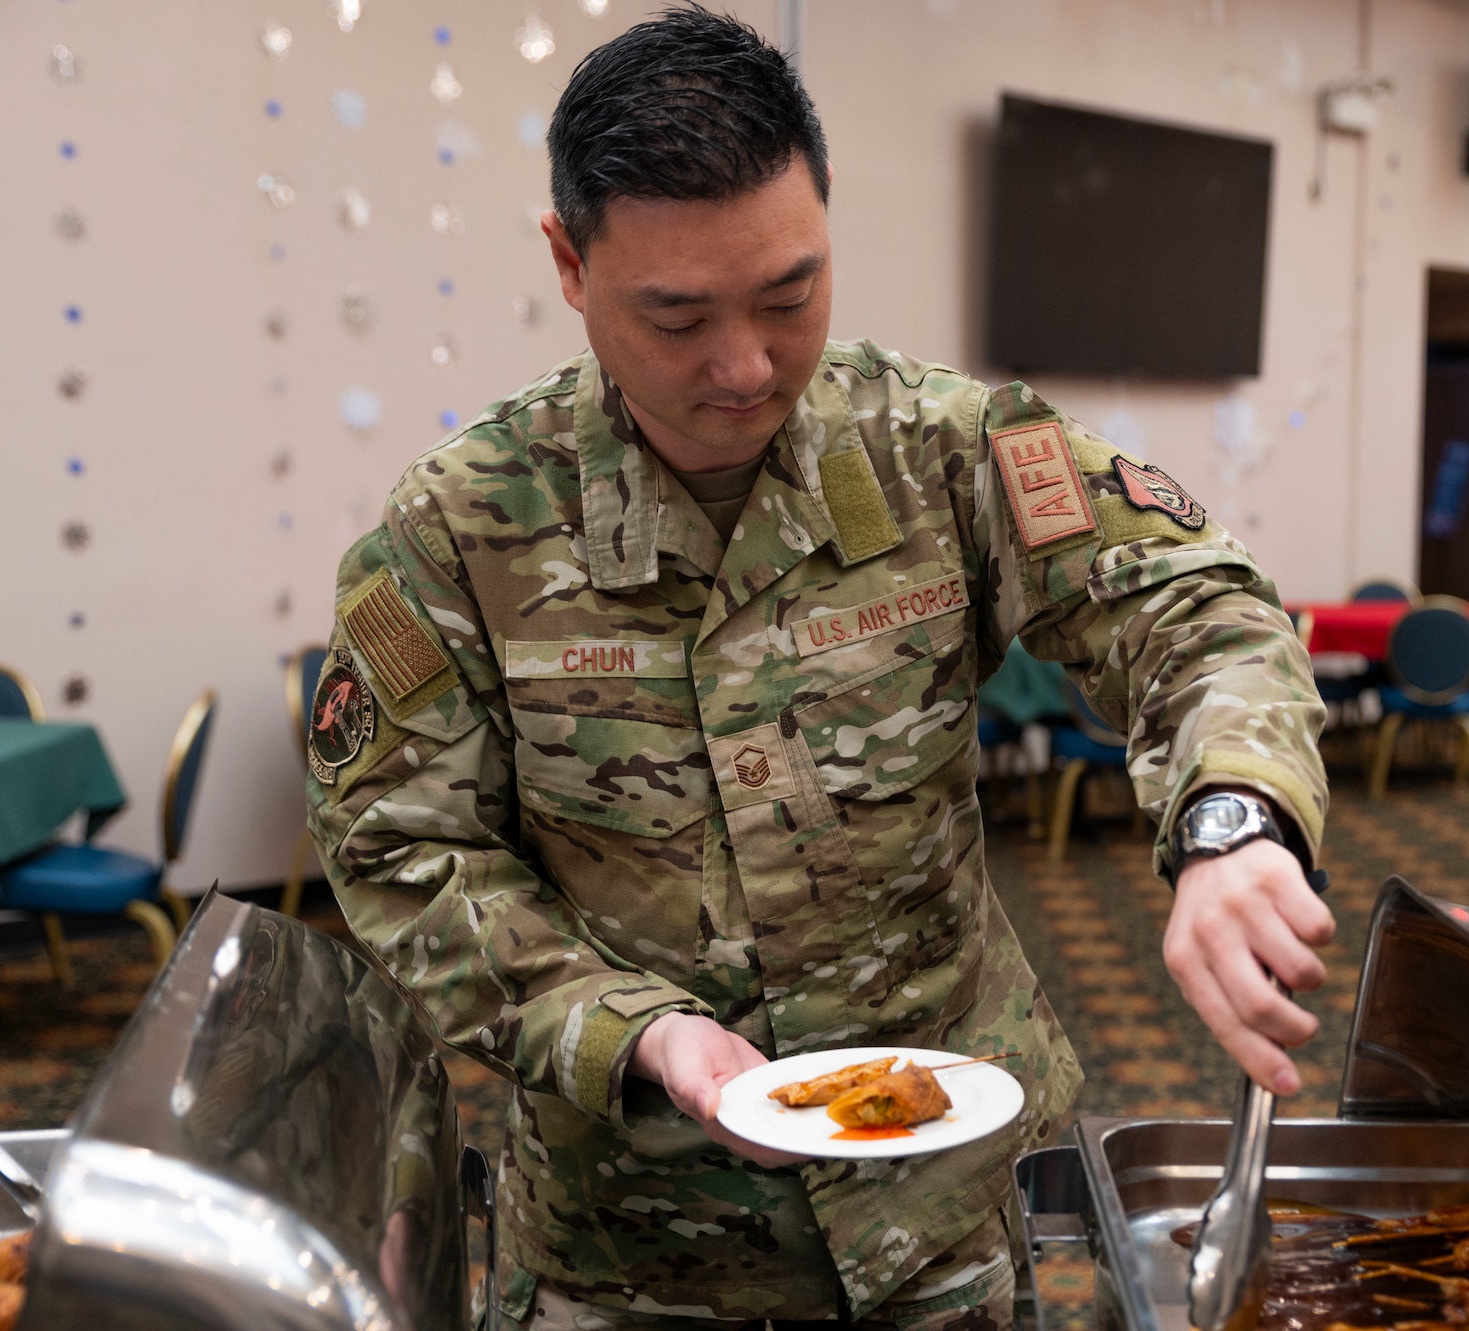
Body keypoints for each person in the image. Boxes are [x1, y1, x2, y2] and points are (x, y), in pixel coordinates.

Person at [302, 11, 1332, 1330]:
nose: (744, 365)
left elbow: (1191, 601)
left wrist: (1230, 817)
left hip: (936, 1221)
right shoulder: (463, 531)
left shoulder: (941, 448)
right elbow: (405, 851)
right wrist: (635, 1029)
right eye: (676, 315)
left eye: (790, 296)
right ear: (569, 262)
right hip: (633, 1256)